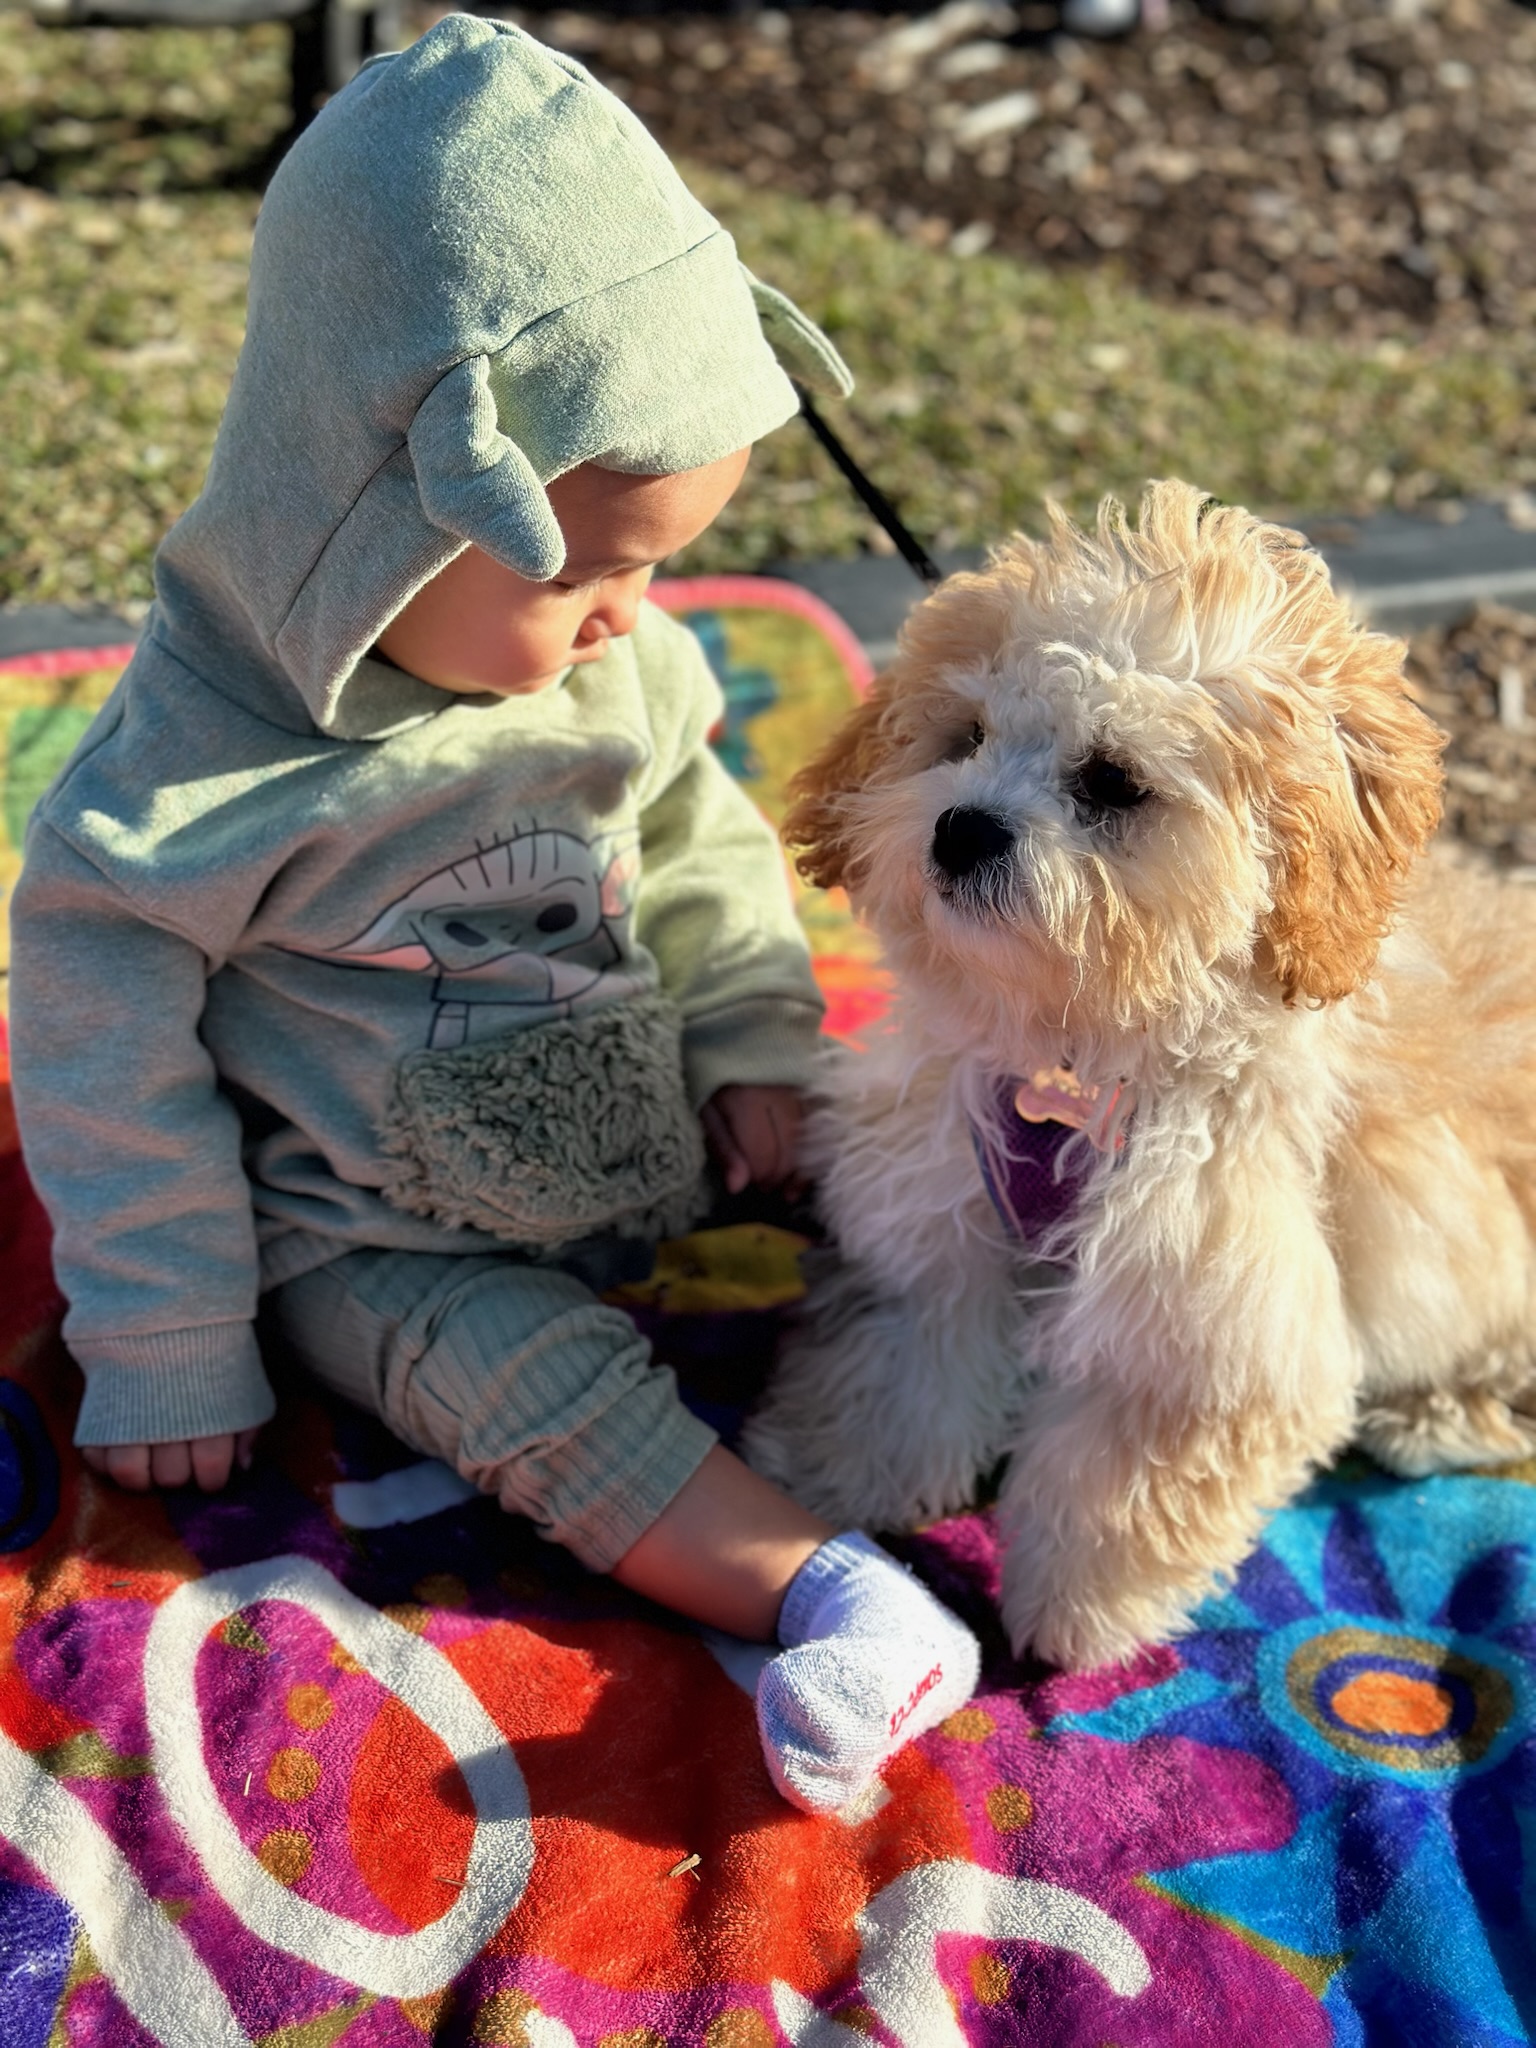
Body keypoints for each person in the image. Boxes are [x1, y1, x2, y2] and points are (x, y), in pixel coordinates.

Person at [8, 13, 979, 1815]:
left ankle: (1035, 1376)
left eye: (660, 562)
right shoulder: (188, 788)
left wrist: (757, 1037)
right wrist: (161, 1330)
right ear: (380, 507)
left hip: (632, 1134)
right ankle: (839, 1601)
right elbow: (95, 1049)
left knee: (917, 1183)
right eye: (591, 567)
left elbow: (698, 835)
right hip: (381, 1234)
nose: (633, 616)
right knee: (522, 1386)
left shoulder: (614, 667)